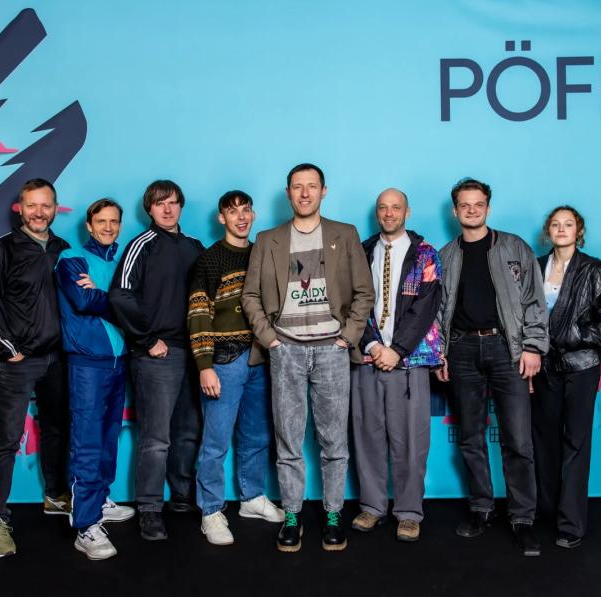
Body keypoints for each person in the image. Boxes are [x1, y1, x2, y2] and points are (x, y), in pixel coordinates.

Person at [241, 163, 374, 552]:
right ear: (288, 193)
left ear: (323, 191)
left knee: (334, 441)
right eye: (297, 187)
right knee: (288, 441)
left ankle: (333, 515)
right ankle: (293, 516)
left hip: (332, 350)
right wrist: (271, 340)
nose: (304, 193)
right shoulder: (268, 239)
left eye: (311, 186)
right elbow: (251, 295)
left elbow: (363, 292)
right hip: (286, 350)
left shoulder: (345, 234)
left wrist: (347, 338)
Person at [435, 177, 548, 557]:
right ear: (455, 211)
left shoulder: (514, 247)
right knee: (471, 437)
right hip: (462, 350)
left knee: (518, 439)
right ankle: (481, 508)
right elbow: (438, 311)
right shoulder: (445, 255)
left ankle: (522, 518)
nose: (472, 210)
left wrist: (532, 347)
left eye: (478, 204)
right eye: (464, 205)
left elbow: (534, 301)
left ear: (487, 207)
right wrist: (440, 354)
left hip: (507, 349)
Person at [0, 178, 71, 558]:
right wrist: (6, 348)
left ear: (55, 208)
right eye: (32, 205)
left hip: (57, 359)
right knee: (7, 439)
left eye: (46, 205)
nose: (39, 212)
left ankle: (55, 495)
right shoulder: (4, 248)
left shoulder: (64, 250)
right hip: (19, 361)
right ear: (20, 208)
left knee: (57, 429)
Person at [187, 190, 284, 546]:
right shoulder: (209, 260)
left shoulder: (262, 253)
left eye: (246, 210)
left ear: (253, 215)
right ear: (221, 218)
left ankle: (251, 497)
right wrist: (204, 365)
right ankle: (211, 510)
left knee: (257, 435)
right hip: (223, 361)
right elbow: (198, 313)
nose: (240, 217)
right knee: (215, 442)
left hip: (260, 357)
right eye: (232, 212)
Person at [109, 180, 204, 541]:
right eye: (160, 203)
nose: (167, 209)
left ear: (181, 206)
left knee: (188, 431)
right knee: (156, 437)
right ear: (149, 208)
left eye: (173, 203)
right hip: (156, 355)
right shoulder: (141, 245)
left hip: (193, 353)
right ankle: (149, 508)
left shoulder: (194, 247)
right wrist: (148, 340)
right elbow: (120, 296)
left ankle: (181, 496)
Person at [531, 205, 601, 549]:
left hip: (581, 366)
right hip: (543, 367)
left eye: (568, 224)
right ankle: (547, 512)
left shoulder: (597, 272)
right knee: (543, 441)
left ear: (579, 231)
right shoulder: (535, 267)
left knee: (575, 442)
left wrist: (576, 334)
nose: (561, 229)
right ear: (548, 231)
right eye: (555, 224)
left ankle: (571, 523)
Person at [350, 188, 444, 542]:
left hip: (409, 361)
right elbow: (351, 303)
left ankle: (408, 511)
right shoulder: (362, 251)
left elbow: (426, 307)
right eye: (383, 208)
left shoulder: (425, 254)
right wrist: (373, 345)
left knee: (410, 441)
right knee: (367, 436)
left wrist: (398, 350)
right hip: (368, 358)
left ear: (407, 212)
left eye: (396, 207)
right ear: (377, 212)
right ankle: (372, 506)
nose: (389, 213)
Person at [56, 198, 135, 560]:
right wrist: (114, 300)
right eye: (101, 221)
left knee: (108, 437)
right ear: (89, 225)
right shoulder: (71, 258)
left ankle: (100, 500)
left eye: (114, 222)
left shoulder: (121, 262)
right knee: (87, 441)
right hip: (87, 362)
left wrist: (104, 295)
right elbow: (84, 301)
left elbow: (137, 305)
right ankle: (85, 525)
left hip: (119, 361)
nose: (108, 227)